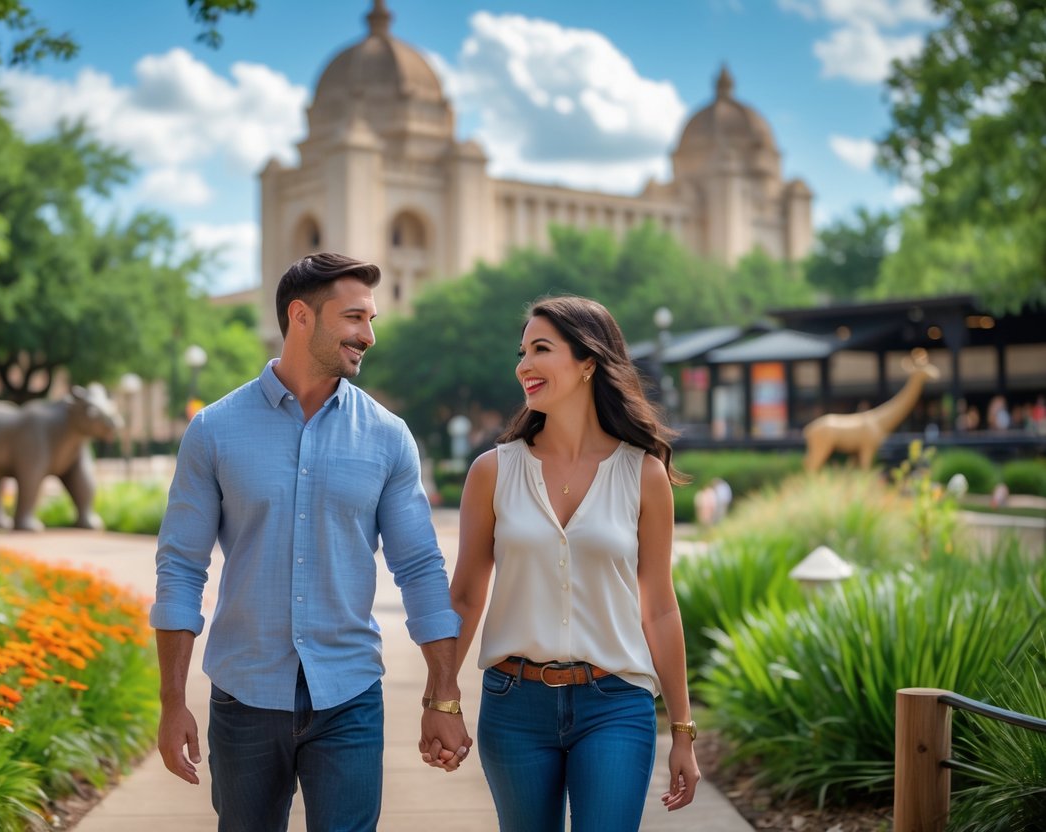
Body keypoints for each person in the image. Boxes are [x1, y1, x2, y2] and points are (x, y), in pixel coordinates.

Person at [152, 252, 472, 832]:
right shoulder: (214, 430)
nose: (368, 335)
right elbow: (180, 569)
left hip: (348, 697)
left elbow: (421, 569)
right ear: (301, 316)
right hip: (243, 699)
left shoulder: (388, 437)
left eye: (370, 320)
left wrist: (443, 695)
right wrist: (173, 703)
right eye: (354, 318)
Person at [447, 295, 700, 831]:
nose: (523, 366)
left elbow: (659, 608)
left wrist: (682, 730)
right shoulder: (492, 472)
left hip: (615, 704)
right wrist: (440, 695)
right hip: (513, 705)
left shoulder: (643, 475)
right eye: (522, 353)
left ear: (589, 362)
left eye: (541, 349)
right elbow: (467, 595)